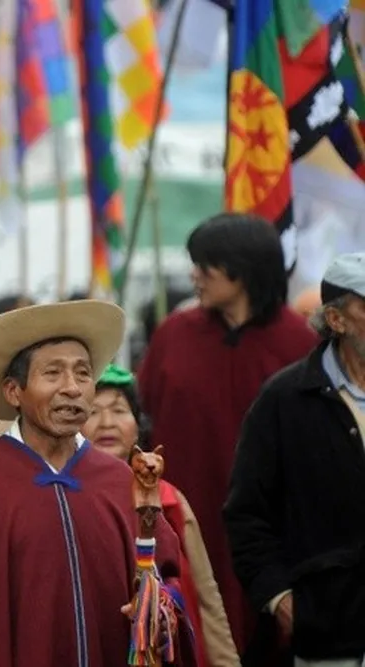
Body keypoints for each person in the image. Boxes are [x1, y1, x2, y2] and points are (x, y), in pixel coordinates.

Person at [0, 300, 194, 666]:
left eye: (82, 374)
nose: (72, 388)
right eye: (53, 374)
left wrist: (159, 612)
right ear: (14, 391)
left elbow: (167, 577)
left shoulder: (121, 482)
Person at [138, 213, 318, 650]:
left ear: (243, 268)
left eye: (206, 265)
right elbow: (144, 418)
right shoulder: (174, 336)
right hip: (188, 525)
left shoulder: (300, 346)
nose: (194, 275)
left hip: (276, 537)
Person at [225, 253, 365, 666]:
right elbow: (246, 513)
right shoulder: (285, 400)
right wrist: (280, 599)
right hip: (326, 634)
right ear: (336, 320)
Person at [84, 364, 238, 667]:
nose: (106, 423)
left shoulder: (168, 500)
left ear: (138, 426)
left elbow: (208, 601)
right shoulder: (68, 500)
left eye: (119, 410)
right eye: (91, 412)